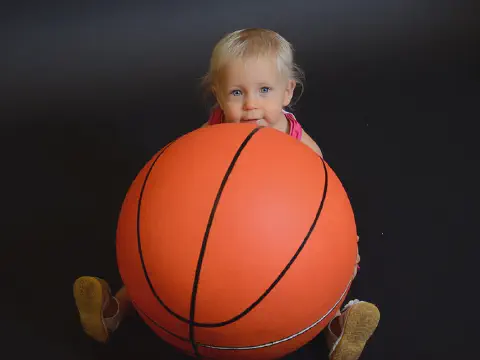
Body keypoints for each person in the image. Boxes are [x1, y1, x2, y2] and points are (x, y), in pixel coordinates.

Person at [73, 28, 380, 360]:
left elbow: (326, 203)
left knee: (329, 269)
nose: (250, 105)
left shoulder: (299, 143)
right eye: (236, 92)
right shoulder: (213, 132)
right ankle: (114, 311)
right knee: (153, 261)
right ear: (218, 95)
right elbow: (187, 171)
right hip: (217, 233)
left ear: (287, 92)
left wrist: (346, 242)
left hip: (277, 244)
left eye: (264, 90)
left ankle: (337, 327)